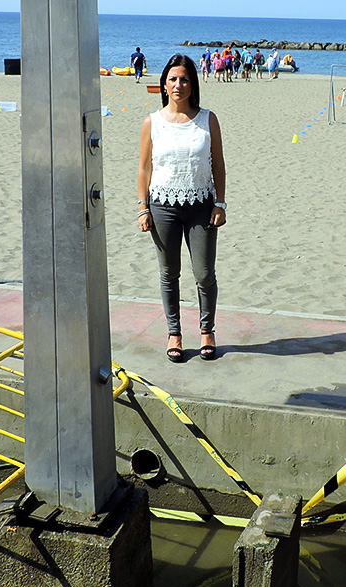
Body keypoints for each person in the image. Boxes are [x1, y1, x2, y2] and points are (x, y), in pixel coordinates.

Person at [136, 54, 226, 363]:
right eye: (173, 79)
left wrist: (220, 203)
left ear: (193, 84)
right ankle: (174, 333)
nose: (179, 84)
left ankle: (207, 331)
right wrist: (143, 208)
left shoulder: (207, 119)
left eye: (185, 79)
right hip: (163, 206)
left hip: (202, 206)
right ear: (163, 85)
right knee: (169, 272)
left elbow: (218, 165)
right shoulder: (153, 122)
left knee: (203, 273)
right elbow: (144, 168)